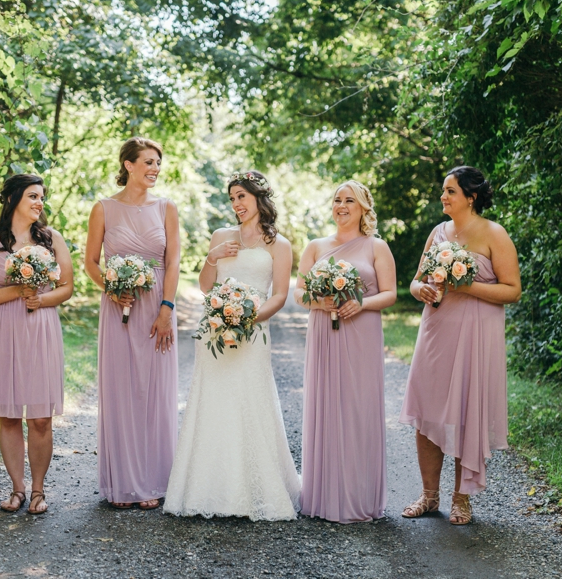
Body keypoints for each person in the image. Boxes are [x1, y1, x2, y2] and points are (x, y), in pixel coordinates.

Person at [164, 171, 300, 521]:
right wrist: (214, 256)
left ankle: (252, 490)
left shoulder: (279, 245)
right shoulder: (222, 236)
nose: (237, 204)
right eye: (232, 198)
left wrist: (247, 319)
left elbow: (281, 295)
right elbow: (207, 287)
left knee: (250, 400)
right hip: (214, 333)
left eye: (242, 196)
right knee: (214, 402)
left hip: (253, 332)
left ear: (259, 198)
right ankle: (208, 488)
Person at [399, 166, 521, 525]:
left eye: (450, 191)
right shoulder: (438, 233)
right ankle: (429, 496)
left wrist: (467, 287)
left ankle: (461, 499)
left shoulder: (494, 234)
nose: (443, 196)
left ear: (471, 197)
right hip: (436, 329)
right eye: (443, 190)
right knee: (425, 410)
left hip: (476, 334)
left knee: (465, 413)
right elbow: (416, 280)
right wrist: (418, 289)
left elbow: (512, 290)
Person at [85, 137, 180, 510]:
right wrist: (110, 287)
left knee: (154, 392)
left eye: (158, 163)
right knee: (122, 391)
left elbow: (172, 263)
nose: (155, 169)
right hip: (118, 309)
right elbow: (92, 261)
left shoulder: (166, 208)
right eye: (149, 162)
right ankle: (122, 483)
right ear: (128, 165)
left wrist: (166, 309)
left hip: (156, 307)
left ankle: (154, 481)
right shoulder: (103, 208)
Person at [0, 173, 74, 515]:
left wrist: (41, 300)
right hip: (2, 329)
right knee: (10, 415)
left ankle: (38, 492)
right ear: (14, 199)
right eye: (32, 196)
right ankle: (16, 489)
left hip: (40, 327)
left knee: (41, 418)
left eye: (42, 197)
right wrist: (18, 290)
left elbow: (67, 287)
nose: (39, 203)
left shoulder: (51, 239)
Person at [293, 180, 397, 523]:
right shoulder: (315, 246)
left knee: (358, 409)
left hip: (361, 331)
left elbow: (391, 294)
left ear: (363, 208)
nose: (341, 205)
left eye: (349, 200)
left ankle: (359, 496)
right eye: (337, 199)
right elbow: (300, 294)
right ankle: (324, 496)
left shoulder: (376, 246)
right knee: (327, 405)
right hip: (324, 332)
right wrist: (320, 302)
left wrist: (361, 303)